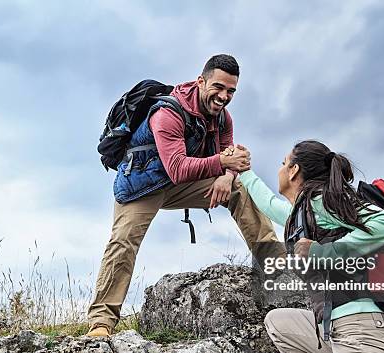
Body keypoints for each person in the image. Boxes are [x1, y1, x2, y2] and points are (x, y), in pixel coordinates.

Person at [86, 55, 278, 337]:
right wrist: (225, 164)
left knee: (239, 189)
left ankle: (277, 265)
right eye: (218, 87)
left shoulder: (223, 118)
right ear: (201, 81)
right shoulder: (168, 114)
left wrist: (227, 176)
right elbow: (177, 168)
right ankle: (101, 322)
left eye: (231, 91)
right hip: (142, 184)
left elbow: (227, 156)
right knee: (123, 242)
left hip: (183, 182)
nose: (224, 96)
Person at [224, 141, 384, 353]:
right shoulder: (304, 212)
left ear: (294, 171)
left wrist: (323, 252)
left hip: (362, 330)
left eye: (283, 163)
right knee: (278, 323)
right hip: (337, 330)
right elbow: (270, 204)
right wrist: (243, 172)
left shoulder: (324, 200)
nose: (280, 169)